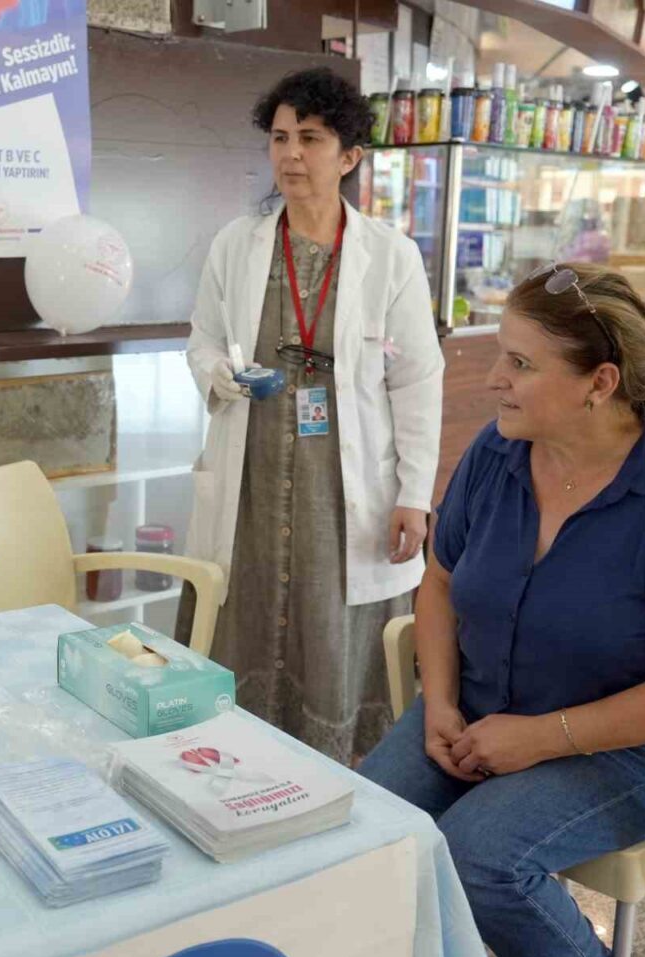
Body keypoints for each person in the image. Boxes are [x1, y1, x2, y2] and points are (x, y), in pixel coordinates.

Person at [360, 263, 645, 957]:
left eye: (519, 363)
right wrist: (442, 703)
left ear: (599, 384)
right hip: (480, 710)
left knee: (481, 861)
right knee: (364, 833)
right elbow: (442, 583)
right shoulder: (498, 450)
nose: (493, 381)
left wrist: (542, 738)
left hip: (629, 748)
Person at [176, 67, 444, 765]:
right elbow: (202, 338)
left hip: (342, 481)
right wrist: (223, 377)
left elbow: (417, 378)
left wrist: (415, 494)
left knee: (334, 620)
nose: (291, 154)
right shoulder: (236, 244)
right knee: (247, 606)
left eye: (312, 138)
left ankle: (341, 776)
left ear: (350, 156)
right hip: (254, 465)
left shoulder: (392, 257)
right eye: (280, 137)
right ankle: (239, 767)